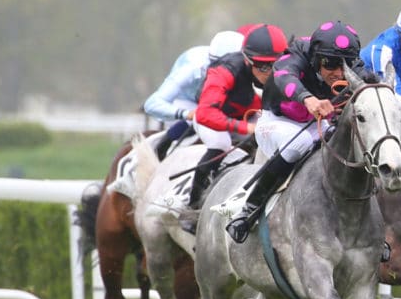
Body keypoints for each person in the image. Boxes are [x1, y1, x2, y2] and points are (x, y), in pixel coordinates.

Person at [212, 20, 374, 244]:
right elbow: (284, 76)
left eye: (344, 65)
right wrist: (307, 99)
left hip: (315, 124)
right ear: (316, 58)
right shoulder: (297, 54)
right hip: (276, 122)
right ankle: (248, 209)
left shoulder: (351, 63)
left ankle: (372, 225)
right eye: (330, 64)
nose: (338, 73)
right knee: (300, 143)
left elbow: (375, 86)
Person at [182, 23, 287, 233]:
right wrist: (247, 128)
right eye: (263, 67)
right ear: (247, 60)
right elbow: (205, 113)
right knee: (221, 144)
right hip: (211, 117)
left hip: (245, 114)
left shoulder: (279, 69)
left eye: (275, 65)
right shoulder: (224, 70)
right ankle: (192, 209)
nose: (270, 73)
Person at [143, 30, 245, 160]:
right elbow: (151, 104)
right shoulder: (192, 68)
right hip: (186, 101)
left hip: (215, 99)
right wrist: (187, 114)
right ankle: (164, 143)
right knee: (201, 117)